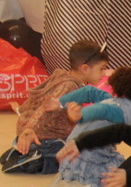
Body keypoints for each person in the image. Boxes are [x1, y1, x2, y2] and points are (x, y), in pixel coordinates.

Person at [48, 66, 131, 187]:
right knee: (123, 177)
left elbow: (89, 91)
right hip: (86, 153)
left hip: (75, 149)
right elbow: (102, 110)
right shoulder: (126, 112)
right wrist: (81, 115)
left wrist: (60, 103)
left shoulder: (119, 102)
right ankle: (83, 184)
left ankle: (71, 177)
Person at [1, 40, 110, 174]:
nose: (104, 74)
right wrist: (30, 129)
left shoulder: (61, 75)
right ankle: (37, 159)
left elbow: (38, 95)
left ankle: (23, 150)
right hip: (46, 137)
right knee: (79, 155)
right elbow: (46, 109)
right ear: (85, 68)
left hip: (35, 132)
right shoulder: (70, 87)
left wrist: (22, 111)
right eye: (102, 69)